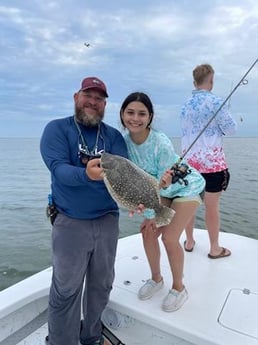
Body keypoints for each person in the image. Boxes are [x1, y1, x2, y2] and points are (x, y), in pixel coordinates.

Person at [40, 76, 128, 345]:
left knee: (101, 287)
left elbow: (123, 179)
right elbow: (59, 169)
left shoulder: (113, 136)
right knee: (66, 289)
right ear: (76, 97)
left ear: (104, 104)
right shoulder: (57, 129)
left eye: (99, 98)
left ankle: (91, 337)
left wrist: (141, 203)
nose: (93, 102)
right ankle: (60, 341)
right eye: (88, 96)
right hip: (70, 223)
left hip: (107, 221)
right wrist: (86, 175)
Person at [119, 92, 205, 312]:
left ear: (150, 117)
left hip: (186, 187)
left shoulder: (161, 142)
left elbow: (161, 186)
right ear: (122, 114)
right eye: (130, 112)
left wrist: (151, 215)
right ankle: (156, 279)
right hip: (160, 190)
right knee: (147, 231)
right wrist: (144, 213)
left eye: (142, 114)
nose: (135, 118)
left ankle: (179, 288)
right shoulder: (124, 144)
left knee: (169, 237)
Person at [180, 64, 237, 258]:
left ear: (194, 82)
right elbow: (230, 129)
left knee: (189, 205)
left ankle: (189, 241)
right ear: (210, 80)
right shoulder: (216, 102)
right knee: (212, 208)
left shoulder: (185, 105)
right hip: (213, 165)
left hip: (188, 166)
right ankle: (214, 248)